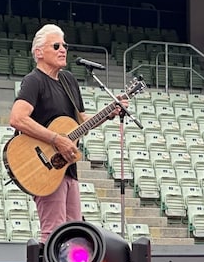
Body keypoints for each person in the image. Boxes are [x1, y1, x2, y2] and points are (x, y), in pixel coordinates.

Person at [9, 24, 123, 242]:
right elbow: (17, 118)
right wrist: (56, 139)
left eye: (65, 45)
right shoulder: (34, 81)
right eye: (56, 45)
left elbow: (82, 121)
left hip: (67, 168)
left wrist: (109, 112)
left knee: (74, 232)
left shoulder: (68, 81)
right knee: (53, 232)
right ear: (39, 52)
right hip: (44, 166)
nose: (63, 49)